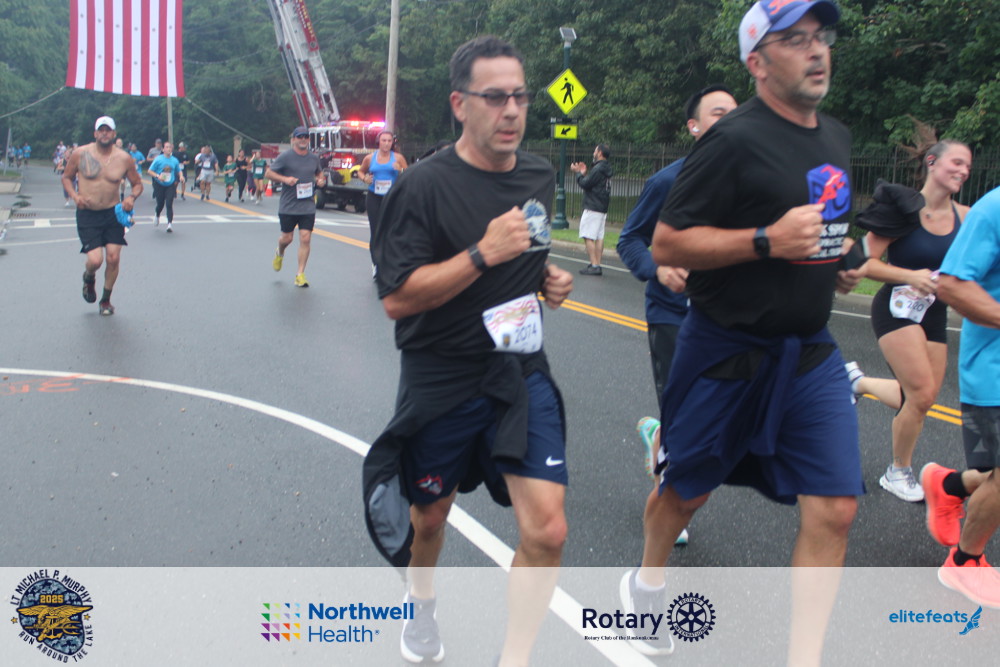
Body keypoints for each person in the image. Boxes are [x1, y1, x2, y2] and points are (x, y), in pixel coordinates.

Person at [619, 3, 864, 663]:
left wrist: (836, 261)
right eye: (796, 40)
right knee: (685, 493)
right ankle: (647, 584)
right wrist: (766, 241)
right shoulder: (730, 141)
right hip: (726, 348)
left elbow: (819, 227)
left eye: (821, 37)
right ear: (757, 61)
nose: (816, 50)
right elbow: (669, 241)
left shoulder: (836, 136)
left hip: (809, 352)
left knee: (837, 507)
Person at [362, 35, 574, 666]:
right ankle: (421, 603)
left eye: (521, 97)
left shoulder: (538, 175)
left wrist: (545, 279)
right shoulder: (421, 187)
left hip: (517, 370)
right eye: (494, 97)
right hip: (442, 375)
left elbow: (527, 256)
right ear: (460, 104)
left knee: (548, 529)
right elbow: (397, 298)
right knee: (430, 518)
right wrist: (482, 253)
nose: (511, 110)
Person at [618, 84, 738, 546]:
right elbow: (630, 239)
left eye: (735, 113)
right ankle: (669, 500)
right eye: (718, 112)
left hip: (725, 316)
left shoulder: (751, 183)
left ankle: (658, 433)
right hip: (672, 314)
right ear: (694, 126)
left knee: (715, 414)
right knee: (683, 414)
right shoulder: (667, 182)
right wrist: (658, 268)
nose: (729, 120)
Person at [853, 139, 972, 502]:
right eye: (957, 162)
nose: (964, 170)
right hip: (896, 307)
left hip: (934, 311)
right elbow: (863, 262)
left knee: (923, 398)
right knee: (919, 394)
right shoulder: (903, 210)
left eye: (968, 166)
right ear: (932, 162)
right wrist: (909, 275)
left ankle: (857, 382)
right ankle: (897, 471)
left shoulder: (966, 217)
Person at [921, 184, 1000, 609]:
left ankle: (951, 485)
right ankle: (965, 562)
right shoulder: (995, 208)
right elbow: (951, 284)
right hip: (994, 371)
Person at [61, 116, 143, 316]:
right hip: (88, 213)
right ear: (95, 133)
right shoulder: (81, 154)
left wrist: (131, 197)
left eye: (108, 130)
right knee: (96, 260)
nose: (104, 133)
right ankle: (89, 277)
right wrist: (75, 196)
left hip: (112, 213)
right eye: (101, 130)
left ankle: (106, 300)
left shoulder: (124, 158)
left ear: (114, 134)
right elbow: (66, 177)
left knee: (113, 258)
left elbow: (137, 184)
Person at [265, 126, 327, 287]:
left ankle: (300, 274)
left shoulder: (313, 158)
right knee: (287, 238)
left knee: (305, 238)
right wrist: (285, 179)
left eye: (306, 137)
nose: (303, 139)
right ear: (293, 139)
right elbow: (269, 173)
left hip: (307, 205)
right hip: (289, 205)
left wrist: (321, 180)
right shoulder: (285, 157)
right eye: (300, 137)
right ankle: (280, 251)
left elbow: (319, 173)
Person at [359, 130, 408, 275]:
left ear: (392, 143)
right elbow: (360, 171)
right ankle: (376, 264)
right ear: (378, 142)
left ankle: (389, 262)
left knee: (390, 231)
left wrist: (401, 170)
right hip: (374, 197)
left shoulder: (398, 158)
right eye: (383, 140)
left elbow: (409, 173)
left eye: (389, 141)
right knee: (376, 231)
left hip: (392, 198)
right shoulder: (370, 158)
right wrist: (365, 178)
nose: (386, 143)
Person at [571, 144, 613, 275]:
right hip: (602, 206)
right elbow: (592, 182)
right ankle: (597, 264)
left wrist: (578, 173)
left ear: (599, 153)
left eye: (595, 151)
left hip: (593, 206)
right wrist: (584, 174)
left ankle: (594, 265)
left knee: (587, 235)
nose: (593, 153)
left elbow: (585, 184)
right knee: (599, 236)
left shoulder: (598, 169)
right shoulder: (606, 168)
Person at [148, 141, 184, 233]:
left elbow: (178, 170)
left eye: (170, 147)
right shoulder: (158, 159)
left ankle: (169, 224)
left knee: (169, 203)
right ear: (163, 149)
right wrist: (158, 176)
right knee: (160, 203)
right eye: (167, 147)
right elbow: (150, 171)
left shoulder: (174, 160)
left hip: (170, 184)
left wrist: (181, 176)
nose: (168, 149)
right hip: (159, 184)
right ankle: (157, 215)